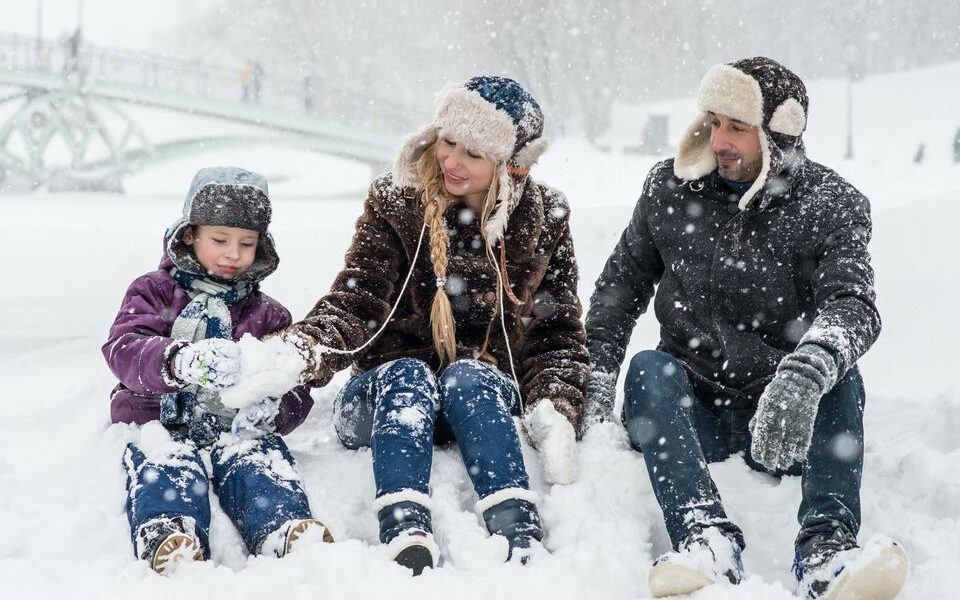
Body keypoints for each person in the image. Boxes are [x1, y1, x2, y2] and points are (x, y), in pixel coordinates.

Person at [235, 76, 589, 574]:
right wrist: (299, 351)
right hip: (384, 399)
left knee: (471, 375)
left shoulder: (544, 217)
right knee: (408, 374)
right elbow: (356, 302)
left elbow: (558, 333)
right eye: (448, 141)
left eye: (473, 152)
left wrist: (557, 405)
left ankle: (517, 527)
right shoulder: (395, 203)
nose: (451, 161)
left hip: (478, 403)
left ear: (511, 167)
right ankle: (404, 525)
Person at [584, 57, 908, 599]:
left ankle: (827, 553)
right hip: (688, 412)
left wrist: (804, 374)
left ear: (778, 134)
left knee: (838, 373)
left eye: (737, 127)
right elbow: (619, 291)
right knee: (648, 368)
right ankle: (704, 540)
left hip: (784, 418)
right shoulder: (668, 189)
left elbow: (853, 305)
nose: (719, 141)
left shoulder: (832, 205)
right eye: (713, 122)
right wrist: (594, 382)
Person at [103, 167, 332, 574]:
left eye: (246, 243)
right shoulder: (154, 291)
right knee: (166, 462)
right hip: (157, 419)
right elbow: (124, 347)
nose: (233, 254)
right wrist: (177, 360)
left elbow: (293, 384)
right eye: (220, 240)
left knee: (258, 460)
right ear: (189, 234)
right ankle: (169, 530)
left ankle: (282, 526)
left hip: (234, 428)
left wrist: (275, 409)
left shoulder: (268, 315)